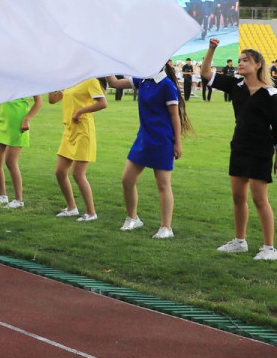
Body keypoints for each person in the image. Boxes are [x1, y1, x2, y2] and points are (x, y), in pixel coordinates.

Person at [202, 39, 277, 260]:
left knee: (259, 199)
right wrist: (212, 49)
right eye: (240, 60)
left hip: (261, 150)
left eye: (246, 61)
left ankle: (269, 248)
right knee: (237, 196)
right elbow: (206, 73)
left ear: (258, 65)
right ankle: (239, 241)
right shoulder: (236, 86)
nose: (240, 63)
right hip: (239, 147)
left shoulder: (271, 94)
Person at [106, 65, 190, 239]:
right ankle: (132, 218)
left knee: (163, 184)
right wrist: (105, 66)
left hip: (162, 140)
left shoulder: (167, 85)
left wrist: (177, 143)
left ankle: (166, 228)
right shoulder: (142, 80)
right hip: (143, 139)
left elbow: (175, 116)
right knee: (127, 180)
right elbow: (114, 83)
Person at [50, 78, 107, 221]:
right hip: (69, 130)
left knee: (77, 174)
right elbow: (52, 99)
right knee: (60, 172)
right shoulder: (70, 79)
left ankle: (91, 213)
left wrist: (81, 111)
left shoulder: (91, 80)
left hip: (83, 131)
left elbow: (102, 103)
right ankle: (71, 208)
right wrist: (52, 80)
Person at [0, 95, 42, 208]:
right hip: (4, 122)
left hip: (19, 124)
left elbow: (38, 102)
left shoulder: (29, 79)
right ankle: (2, 195)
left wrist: (27, 119)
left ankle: (19, 200)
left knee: (10, 162)